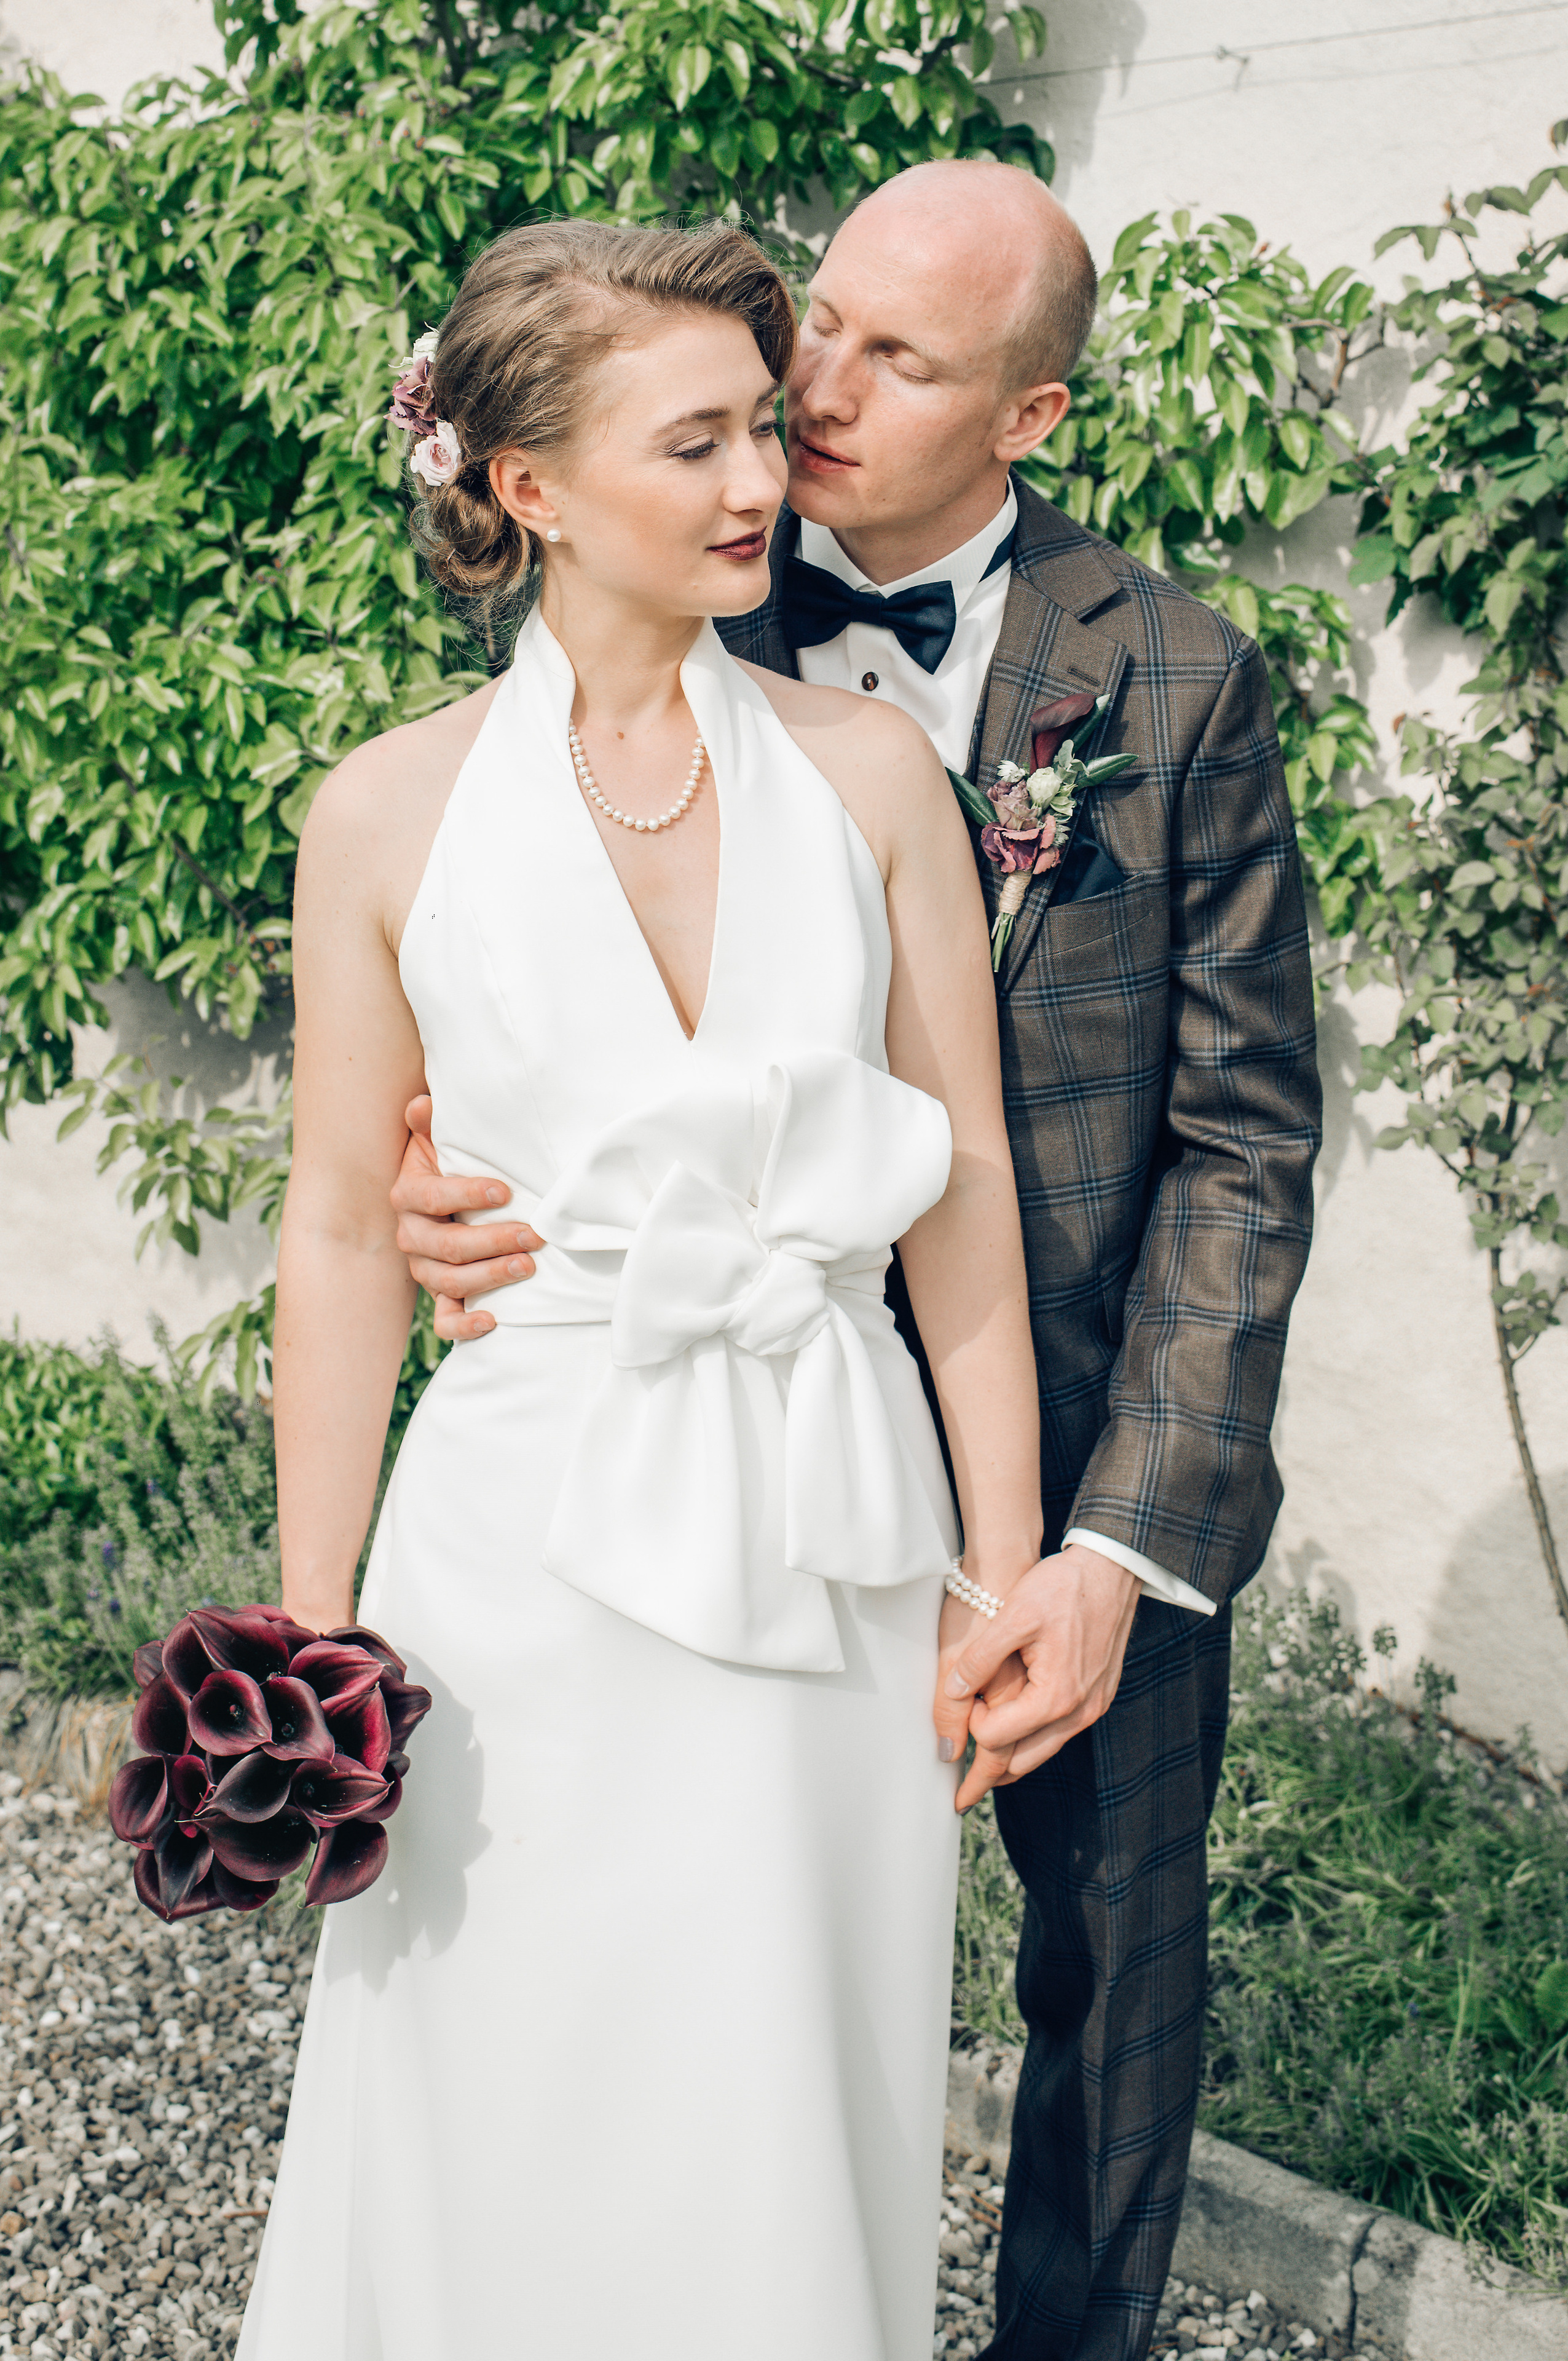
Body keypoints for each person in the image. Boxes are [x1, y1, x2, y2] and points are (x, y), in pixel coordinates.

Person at [393, 164, 1322, 2361]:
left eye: (899, 360)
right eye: (823, 318)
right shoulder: (666, 568)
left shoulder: (1179, 683)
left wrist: (1106, 1547)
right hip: (700, 1449)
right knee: (684, 1968)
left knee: (1113, 1989)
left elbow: (1242, 1148)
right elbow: (482, 944)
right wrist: (454, 1176)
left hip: (1065, 1450)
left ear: (1032, 417)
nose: (812, 384)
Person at [240, 217, 1053, 2361]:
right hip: (516, 1546)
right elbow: (338, 1227)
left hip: (830, 1531)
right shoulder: (384, 816)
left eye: (759, 434)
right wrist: (312, 1637)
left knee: (792, 2089)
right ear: (527, 487)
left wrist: (994, 1568)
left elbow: (961, 1196)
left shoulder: (875, 779)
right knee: (501, 2081)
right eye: (691, 442)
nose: (757, 487)